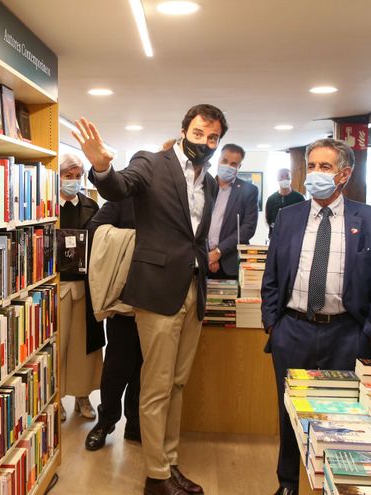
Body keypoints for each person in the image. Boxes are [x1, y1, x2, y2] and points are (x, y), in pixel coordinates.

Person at [72, 103, 227, 495]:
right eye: (199, 134)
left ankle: (169, 464)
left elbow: (194, 237)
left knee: (176, 385)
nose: (205, 143)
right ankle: (156, 477)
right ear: (183, 131)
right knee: (155, 386)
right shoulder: (152, 163)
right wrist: (102, 168)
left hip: (192, 292)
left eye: (213, 137)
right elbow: (119, 187)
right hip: (156, 293)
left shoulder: (208, 182)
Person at [261, 138, 371, 495]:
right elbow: (272, 276)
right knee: (289, 413)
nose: (315, 174)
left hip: (347, 334)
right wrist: (272, 323)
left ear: (344, 174)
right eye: (312, 166)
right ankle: (288, 483)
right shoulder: (288, 217)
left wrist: (369, 335)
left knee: (343, 416)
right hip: (292, 331)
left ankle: (337, 483)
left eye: (325, 167)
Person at [84, 198, 143, 451]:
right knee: (116, 368)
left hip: (157, 300)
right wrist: (134, 239)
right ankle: (106, 421)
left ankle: (136, 424)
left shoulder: (169, 201)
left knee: (146, 369)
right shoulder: (124, 200)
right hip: (123, 299)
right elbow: (93, 229)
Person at [58, 154, 104, 422]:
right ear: (58, 177)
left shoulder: (91, 206)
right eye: (68, 176)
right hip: (57, 286)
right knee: (60, 344)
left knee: (82, 345)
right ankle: (56, 397)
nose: (73, 181)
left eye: (77, 176)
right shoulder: (46, 206)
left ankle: (82, 396)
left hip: (85, 287)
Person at [207, 144, 259, 279]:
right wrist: (208, 254)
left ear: (239, 167)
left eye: (233, 164)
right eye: (224, 161)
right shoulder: (204, 186)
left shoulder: (249, 191)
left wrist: (218, 252)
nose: (227, 166)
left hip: (230, 263)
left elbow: (248, 228)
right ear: (218, 160)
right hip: (202, 260)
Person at [265, 168, 305, 237]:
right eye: (281, 177)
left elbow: (304, 218)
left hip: (295, 237)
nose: (284, 179)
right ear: (277, 179)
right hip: (276, 237)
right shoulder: (271, 199)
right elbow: (269, 220)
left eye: (287, 176)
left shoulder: (299, 198)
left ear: (291, 178)